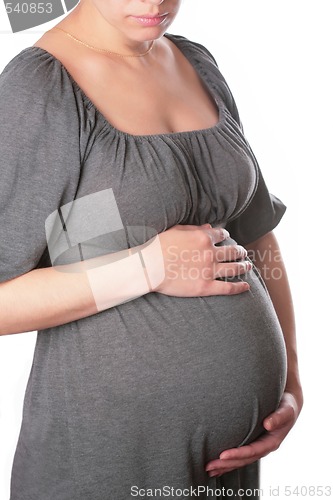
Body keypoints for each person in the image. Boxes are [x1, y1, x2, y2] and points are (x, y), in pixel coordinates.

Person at [0, 0, 303, 498]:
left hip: (226, 469)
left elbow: (255, 232)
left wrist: (290, 377)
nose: (154, 3)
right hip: (107, 455)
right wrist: (147, 267)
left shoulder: (196, 63)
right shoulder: (40, 89)